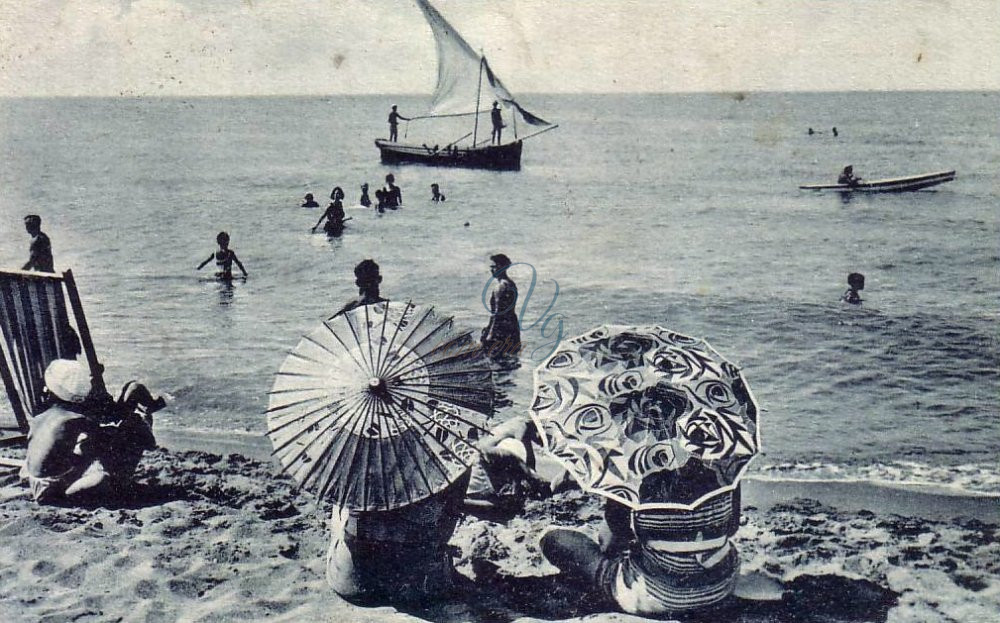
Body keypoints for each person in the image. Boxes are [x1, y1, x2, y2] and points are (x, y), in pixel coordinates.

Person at [541, 486, 743, 618]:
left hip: (655, 597)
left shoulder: (631, 470)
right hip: (720, 586)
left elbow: (611, 544)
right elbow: (731, 527)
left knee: (553, 539)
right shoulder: (724, 458)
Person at [21, 359, 164, 504]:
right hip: (52, 493)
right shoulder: (75, 419)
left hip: (36, 482)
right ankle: (122, 483)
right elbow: (106, 436)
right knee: (104, 475)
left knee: (89, 444)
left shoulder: (39, 418)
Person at [481, 254, 521, 359]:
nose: (491, 269)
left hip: (501, 329)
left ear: (501, 267)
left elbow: (497, 313)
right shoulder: (511, 284)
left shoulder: (500, 287)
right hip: (512, 325)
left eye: (494, 266)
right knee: (510, 358)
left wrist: (490, 333)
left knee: (496, 358)